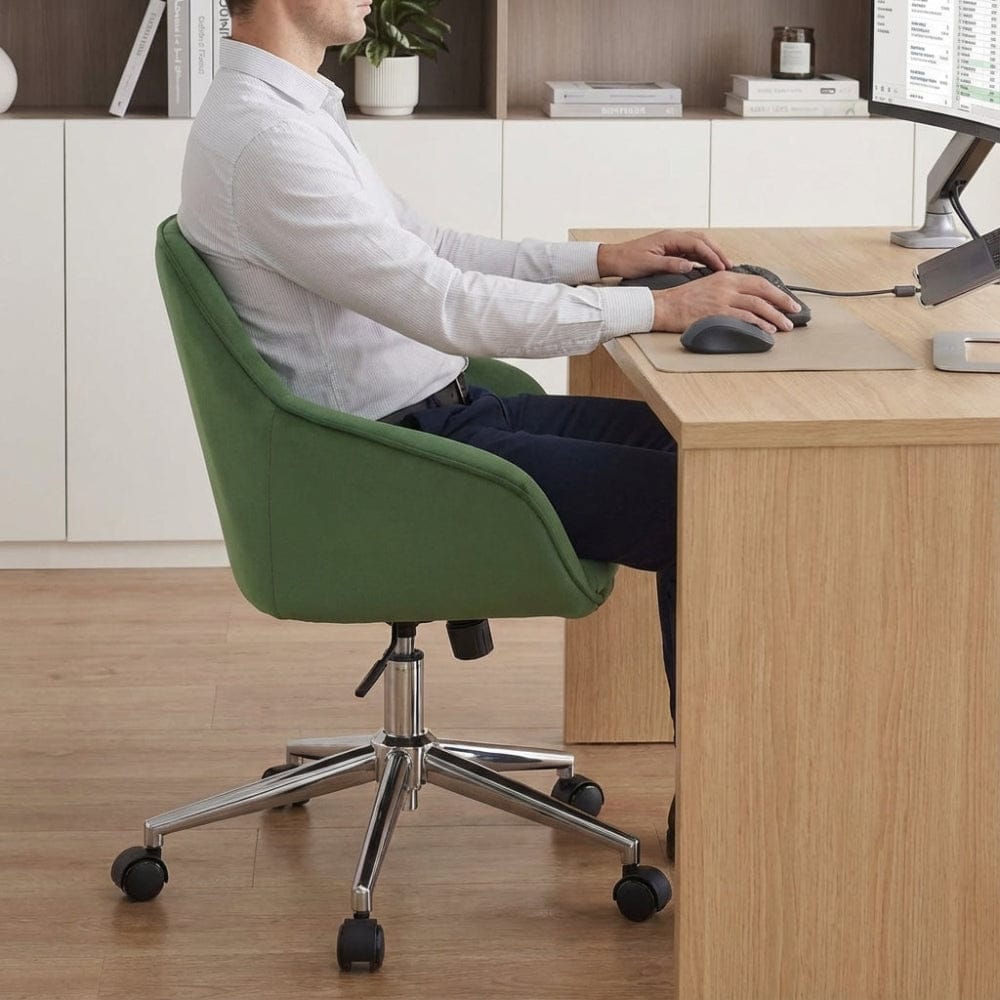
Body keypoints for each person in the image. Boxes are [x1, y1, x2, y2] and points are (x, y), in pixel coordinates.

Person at [177, 0, 800, 853]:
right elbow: (447, 306)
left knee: (700, 458)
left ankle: (729, 776)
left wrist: (603, 263)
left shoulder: (292, 110)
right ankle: (732, 806)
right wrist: (654, 307)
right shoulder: (265, 142)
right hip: (392, 459)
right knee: (706, 504)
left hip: (443, 413)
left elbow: (427, 247)